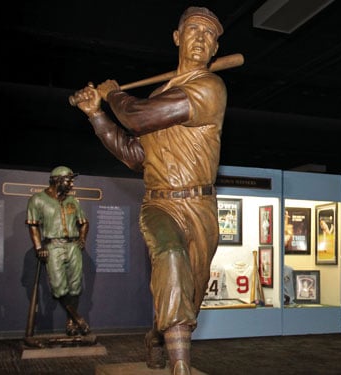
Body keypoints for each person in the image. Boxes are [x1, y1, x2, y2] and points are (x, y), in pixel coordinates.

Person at [70, 6, 226, 374]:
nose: (201, 38)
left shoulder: (209, 87)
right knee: (170, 256)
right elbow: (135, 155)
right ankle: (181, 366)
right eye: (194, 30)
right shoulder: (160, 95)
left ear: (216, 49)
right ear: (177, 37)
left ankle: (158, 337)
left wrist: (112, 95)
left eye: (210, 35)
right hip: (160, 205)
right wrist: (96, 115)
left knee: (191, 296)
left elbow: (137, 117)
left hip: (201, 207)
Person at [26, 166, 90, 337]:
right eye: (69, 180)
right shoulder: (38, 200)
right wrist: (39, 247)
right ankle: (78, 318)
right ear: (57, 180)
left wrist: (82, 239)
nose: (71, 184)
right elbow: (33, 226)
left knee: (75, 287)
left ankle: (70, 323)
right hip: (53, 246)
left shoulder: (73, 202)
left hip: (73, 246)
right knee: (58, 287)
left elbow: (84, 222)